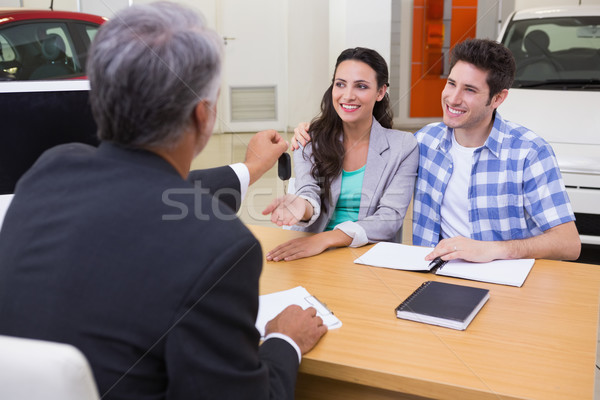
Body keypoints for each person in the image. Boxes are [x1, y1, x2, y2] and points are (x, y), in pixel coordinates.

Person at [0, 3, 326, 400]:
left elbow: (141, 190)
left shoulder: (48, 172)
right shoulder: (222, 250)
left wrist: (249, 169)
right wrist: (284, 341)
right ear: (202, 117)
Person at [293, 39, 580, 263]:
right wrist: (312, 131)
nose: (453, 98)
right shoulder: (425, 142)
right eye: (451, 83)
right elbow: (370, 140)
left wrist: (493, 250)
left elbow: (569, 244)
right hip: (435, 271)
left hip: (505, 273)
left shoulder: (529, 152)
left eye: (470, 90)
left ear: (498, 98)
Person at [263, 47, 418, 262]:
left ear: (380, 92)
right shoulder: (309, 139)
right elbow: (309, 191)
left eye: (361, 86)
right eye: (340, 84)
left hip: (368, 255)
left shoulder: (403, 146)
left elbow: (390, 217)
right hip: (310, 252)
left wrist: (327, 239)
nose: (348, 95)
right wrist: (302, 206)